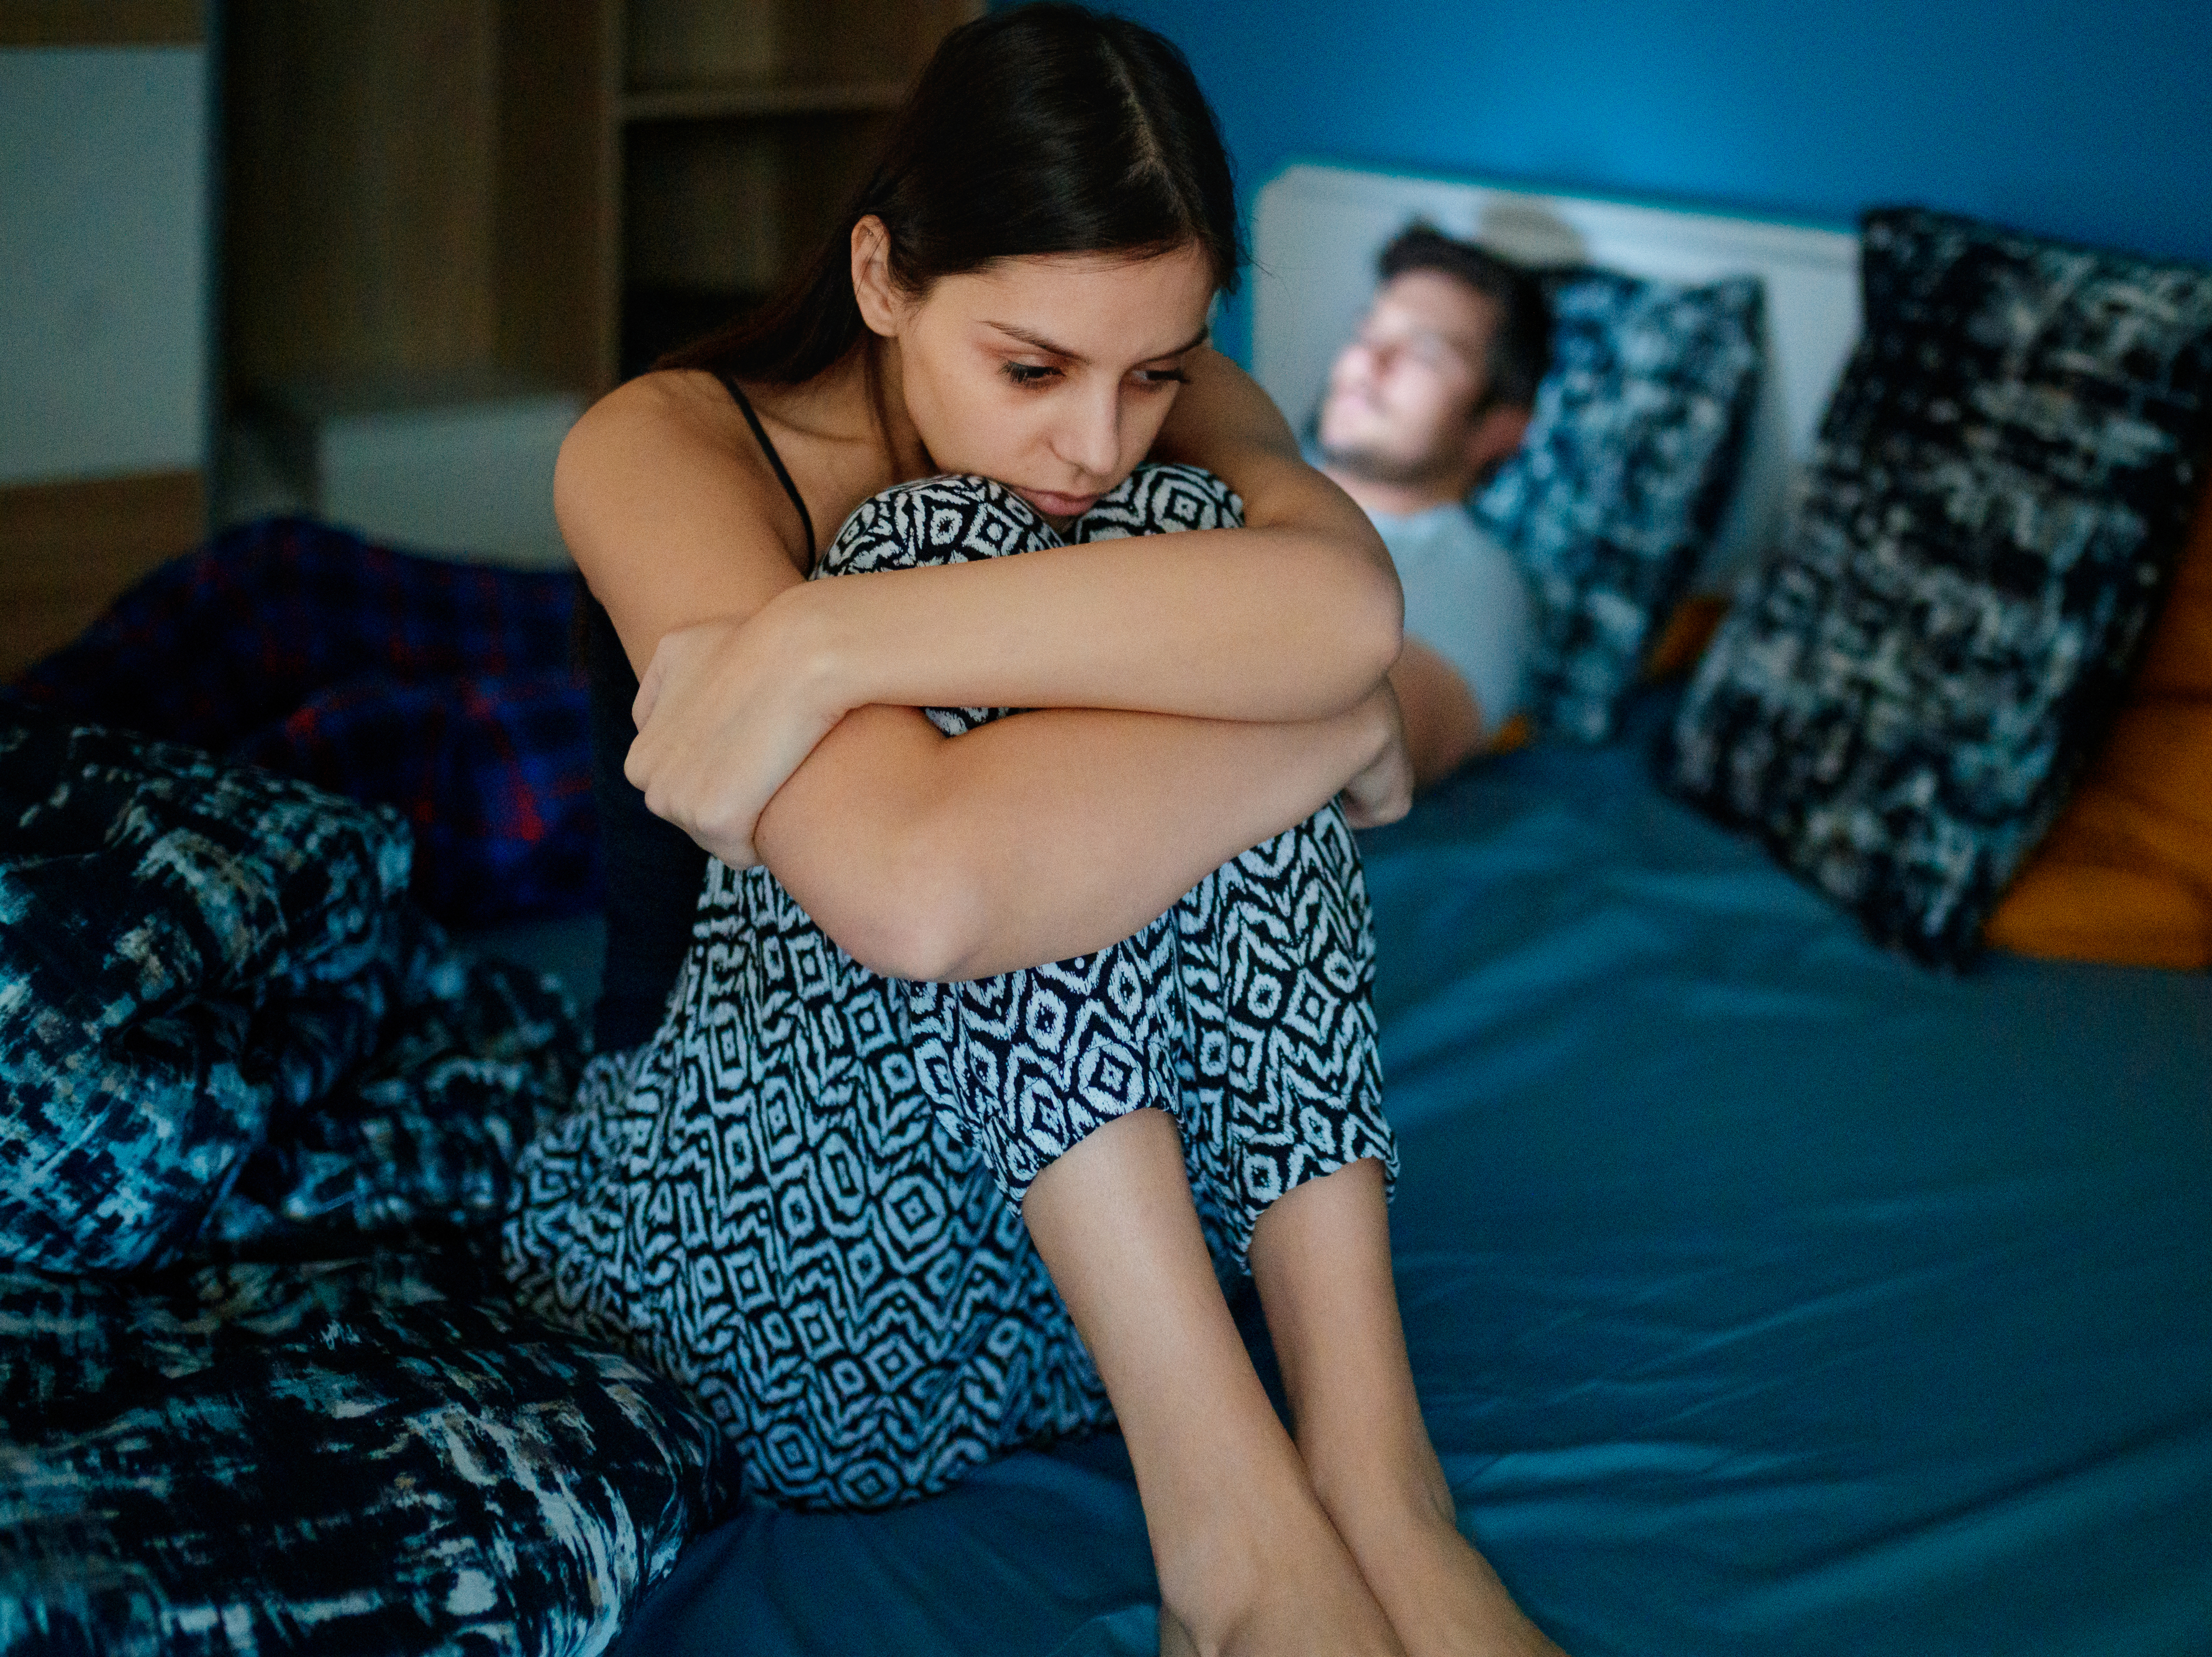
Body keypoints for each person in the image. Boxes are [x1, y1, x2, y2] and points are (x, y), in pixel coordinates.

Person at [501, 7, 1564, 1655]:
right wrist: (1319, 733)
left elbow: (1351, 602)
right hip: (775, 1293)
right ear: (880, 279)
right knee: (993, 551)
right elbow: (921, 888)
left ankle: (1377, 1483)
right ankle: (1240, 1545)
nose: (1096, 437)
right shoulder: (667, 444)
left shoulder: (1152, 409)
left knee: (1184, 561)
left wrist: (819, 646)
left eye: (1157, 371)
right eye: (1031, 367)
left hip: (1104, 1294)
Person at [1314, 227, 1550, 785]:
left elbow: (1345, 742)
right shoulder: (1240, 459)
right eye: (1369, 331)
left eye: (1424, 351)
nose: (1370, 361)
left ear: (1499, 428)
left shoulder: (1478, 580)